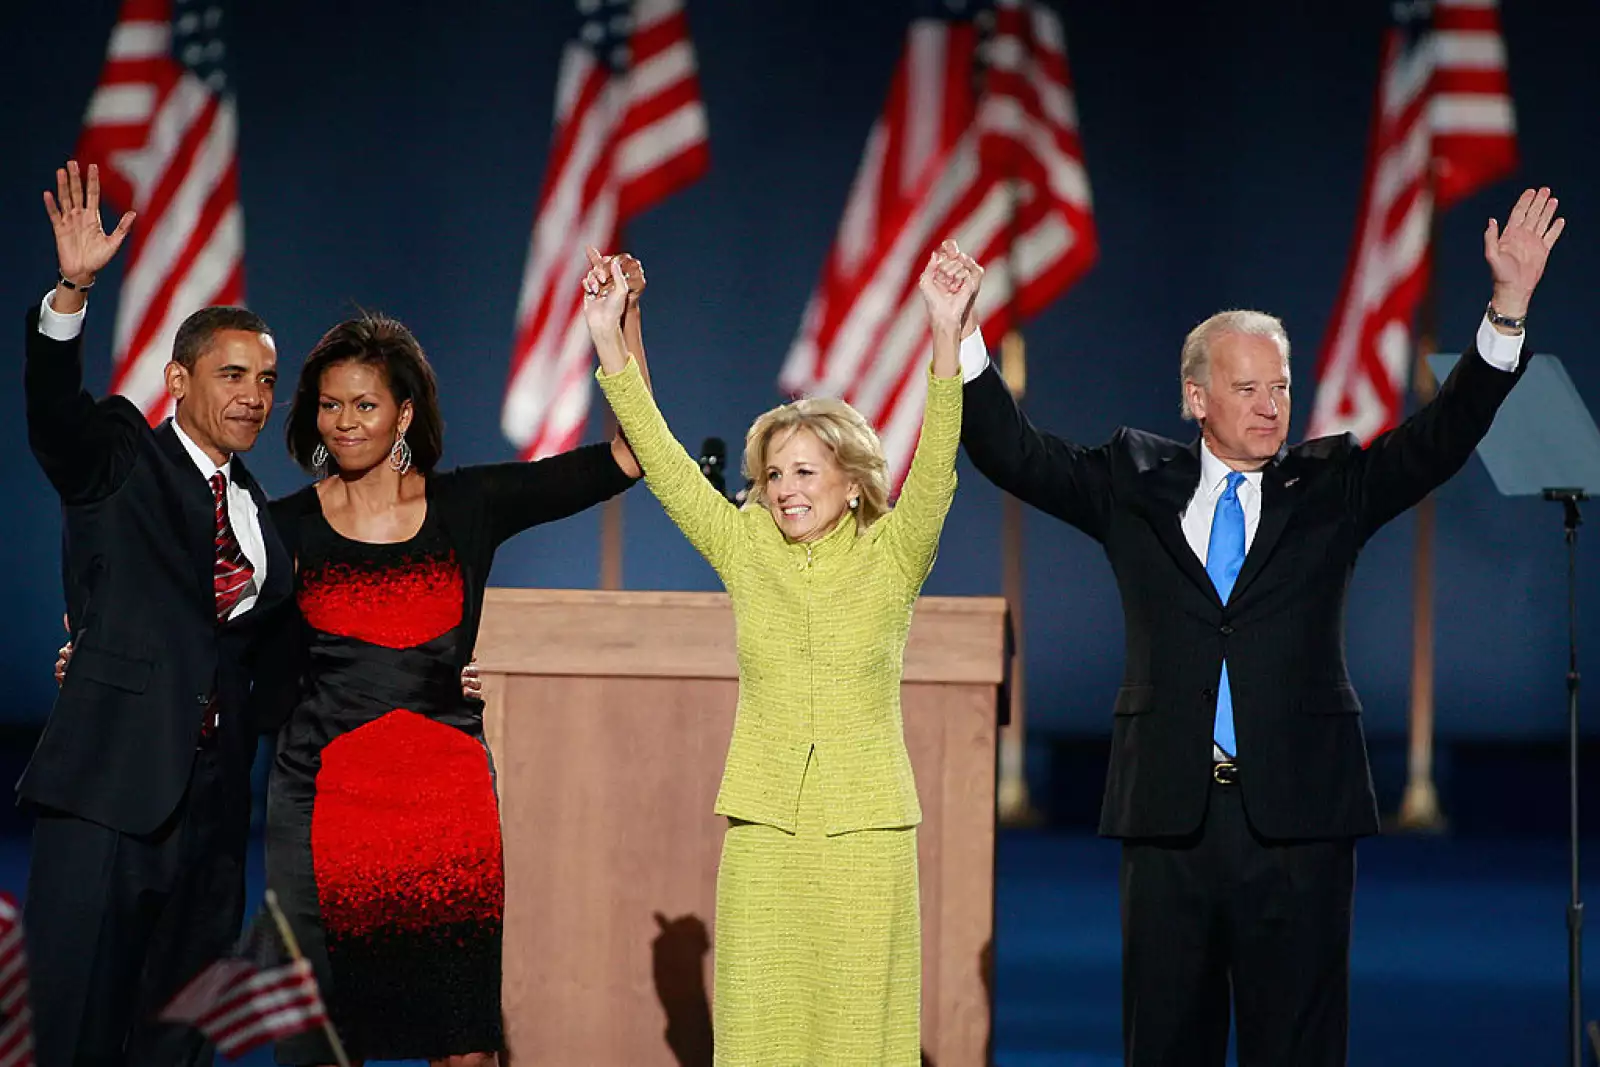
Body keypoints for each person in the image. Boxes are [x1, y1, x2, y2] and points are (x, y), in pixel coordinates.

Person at [957, 187, 1566, 1065]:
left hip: (1301, 823)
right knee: (1166, 1045)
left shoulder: (1331, 487)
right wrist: (966, 337)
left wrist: (1505, 309)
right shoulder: (1131, 480)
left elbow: (1442, 435)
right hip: (1171, 817)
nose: (1271, 406)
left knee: (1298, 1049)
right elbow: (1012, 451)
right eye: (1247, 388)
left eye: (1280, 386)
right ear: (1196, 396)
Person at [582, 239, 977, 1064]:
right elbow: (662, 461)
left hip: (867, 829)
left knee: (857, 1029)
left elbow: (935, 468)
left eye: (805, 470)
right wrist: (609, 341)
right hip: (764, 826)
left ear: (853, 480)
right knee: (760, 1024)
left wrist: (945, 335)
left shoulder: (894, 553)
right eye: (773, 474)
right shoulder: (745, 545)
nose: (787, 488)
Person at [261, 264, 649, 1065]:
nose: (344, 423)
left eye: (364, 404)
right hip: (322, 808)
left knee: (464, 1047)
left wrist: (621, 323)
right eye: (329, 406)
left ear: (402, 413)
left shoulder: (469, 506)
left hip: (446, 807)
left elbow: (631, 455)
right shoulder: (282, 527)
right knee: (322, 1043)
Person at [22, 160, 292, 1067]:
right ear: (177, 378)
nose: (254, 393)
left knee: (177, 1052)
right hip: (105, 801)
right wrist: (73, 290)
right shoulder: (122, 458)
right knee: (79, 1043)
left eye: (266, 377)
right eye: (232, 373)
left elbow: (278, 659)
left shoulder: (262, 518)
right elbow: (55, 418)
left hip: (213, 829)